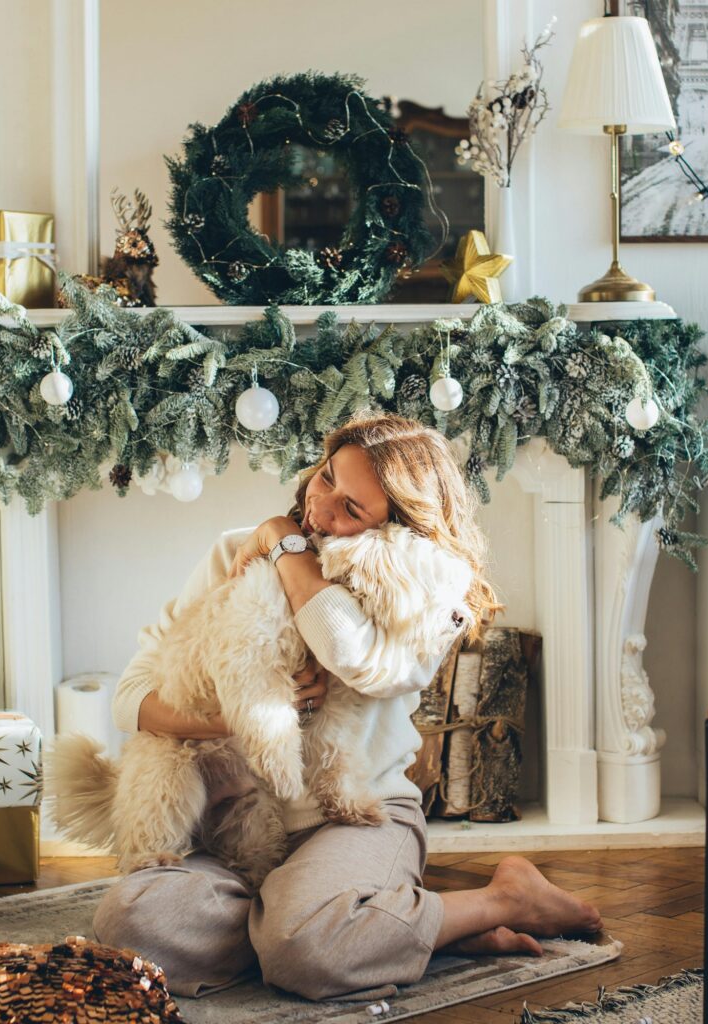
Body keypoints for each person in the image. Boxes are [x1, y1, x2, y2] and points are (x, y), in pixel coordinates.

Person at [92, 413, 602, 1001]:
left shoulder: (420, 592)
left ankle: (498, 899)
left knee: (301, 945)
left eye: (353, 509)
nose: (321, 508)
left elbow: (355, 656)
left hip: (358, 816)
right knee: (130, 924)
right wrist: (229, 718)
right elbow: (131, 698)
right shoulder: (234, 552)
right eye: (328, 476)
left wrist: (286, 547)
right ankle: (378, 925)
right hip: (237, 830)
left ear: (402, 527)